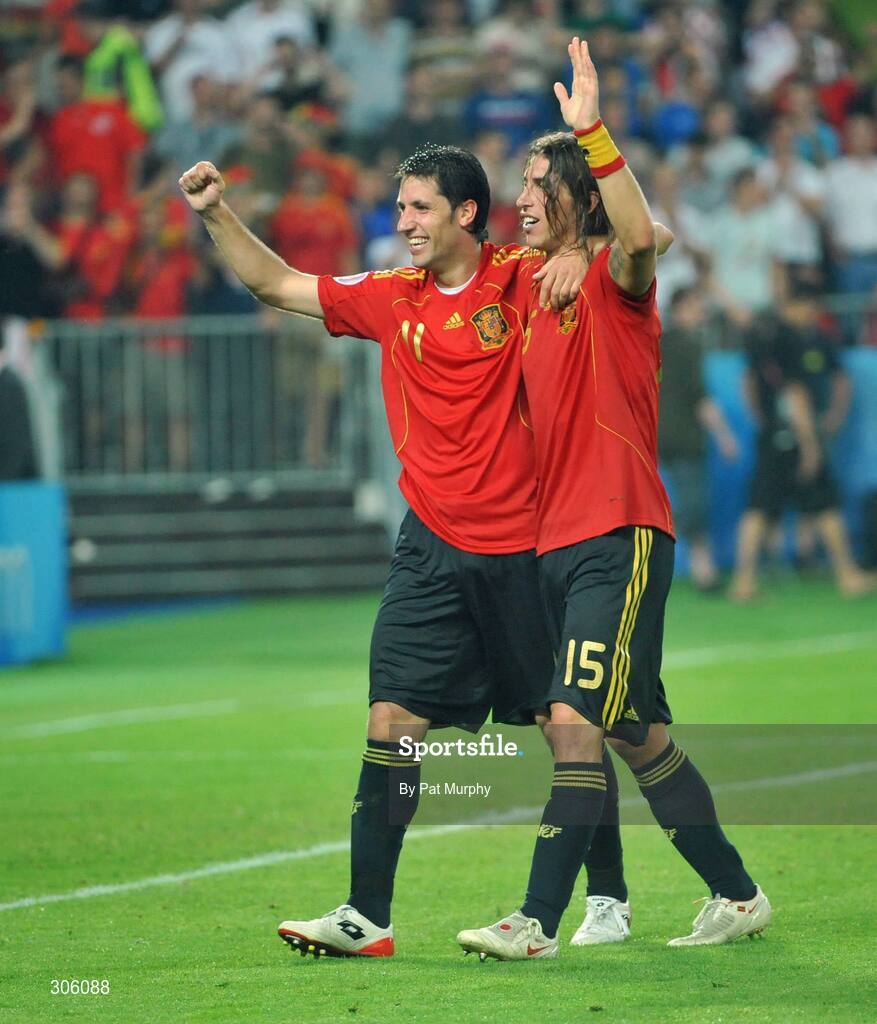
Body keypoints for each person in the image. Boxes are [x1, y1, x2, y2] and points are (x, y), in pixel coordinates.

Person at [178, 144, 585, 959]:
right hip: (429, 547)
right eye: (400, 209)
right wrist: (216, 213)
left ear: (466, 214)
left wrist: (577, 248)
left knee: (571, 732)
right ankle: (368, 917)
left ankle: (562, 910)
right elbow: (274, 283)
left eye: (420, 209)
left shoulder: (521, 274)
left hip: (526, 550)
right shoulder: (388, 295)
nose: (403, 225)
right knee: (390, 719)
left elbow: (652, 244)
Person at [456, 39, 770, 960]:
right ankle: (736, 895)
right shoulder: (527, 286)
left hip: (617, 531)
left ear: (577, 195)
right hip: (553, 542)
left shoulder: (614, 280)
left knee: (571, 723)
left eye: (534, 180)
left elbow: (642, 240)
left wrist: (592, 134)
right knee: (634, 734)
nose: (519, 195)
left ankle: (535, 921)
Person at [729, 284, 874, 601]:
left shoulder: (763, 335)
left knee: (759, 506)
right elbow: (796, 395)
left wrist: (763, 420)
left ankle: (743, 582)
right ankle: (848, 576)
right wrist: (810, 444)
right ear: (800, 304)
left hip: (772, 433)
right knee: (825, 503)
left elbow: (749, 381)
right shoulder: (792, 339)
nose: (813, 314)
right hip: (796, 433)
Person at [659, 286, 739, 592]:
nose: (701, 314)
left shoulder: (659, 341)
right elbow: (700, 398)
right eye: (695, 306)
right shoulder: (688, 345)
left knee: (683, 503)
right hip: (685, 437)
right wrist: (725, 436)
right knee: (694, 505)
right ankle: (703, 569)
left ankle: (700, 567)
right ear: (680, 309)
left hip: (662, 435)